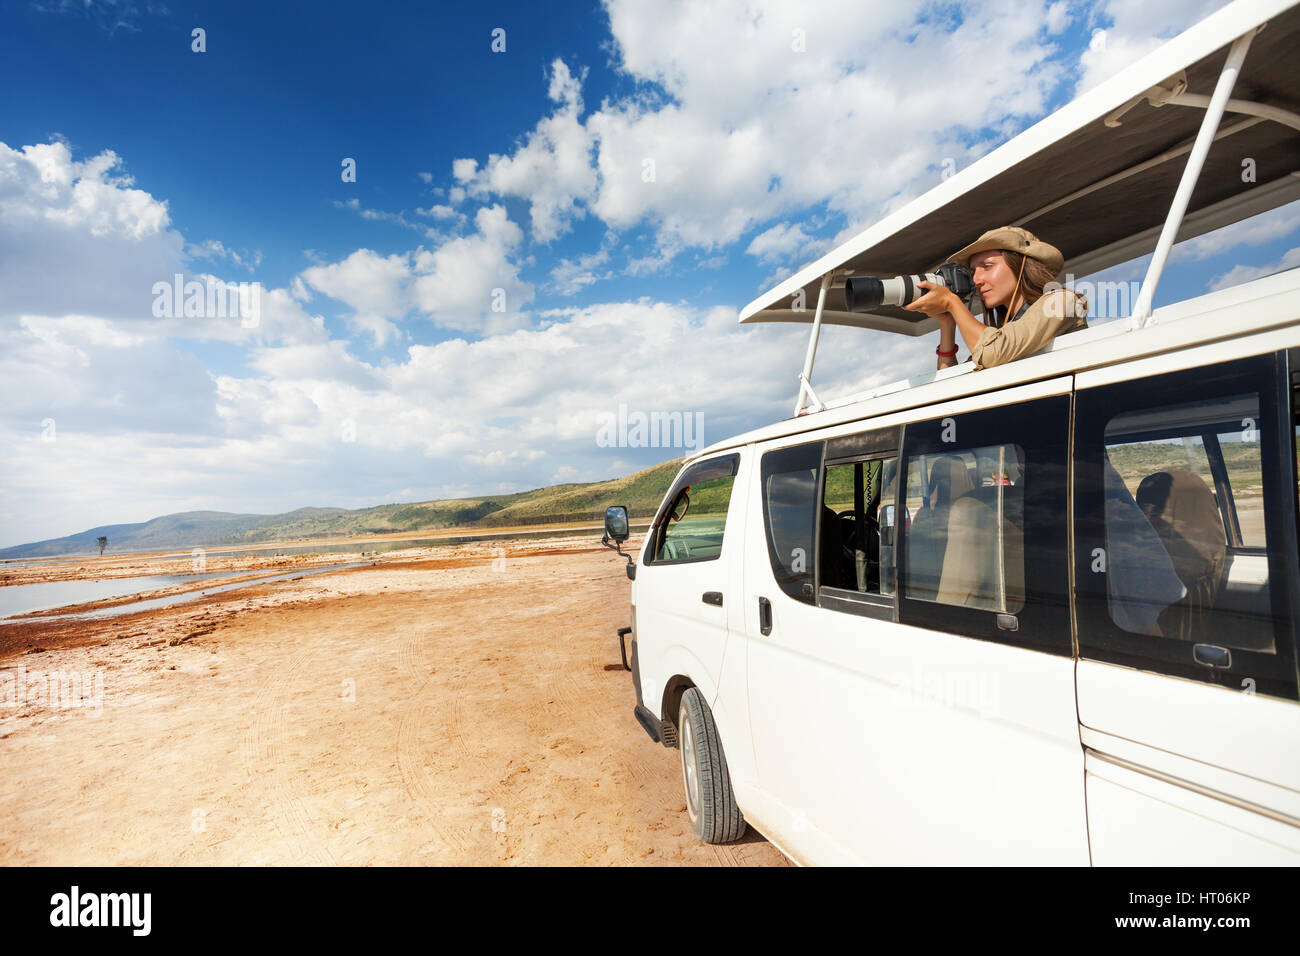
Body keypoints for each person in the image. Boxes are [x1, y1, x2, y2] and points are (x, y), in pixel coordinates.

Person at [903, 226, 1088, 370]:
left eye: (988, 266)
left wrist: (952, 302)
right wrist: (947, 323)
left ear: (1020, 266)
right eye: (974, 271)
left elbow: (992, 353)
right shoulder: (1003, 334)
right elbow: (953, 382)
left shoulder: (1060, 302)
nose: (976, 280)